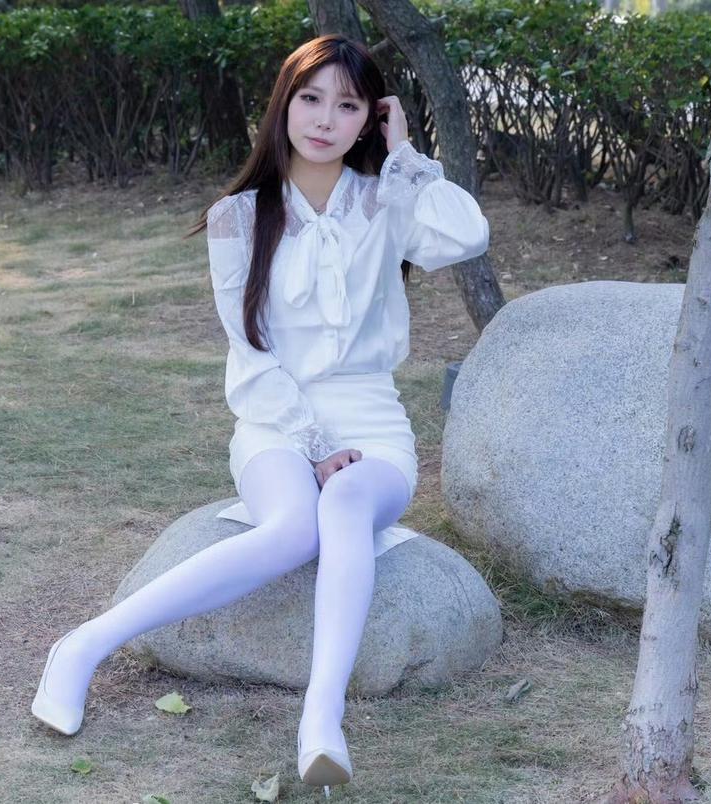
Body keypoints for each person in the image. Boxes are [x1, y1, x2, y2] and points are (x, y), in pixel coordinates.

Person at [32, 33, 489, 790]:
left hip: (372, 422)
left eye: (348, 106)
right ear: (283, 104)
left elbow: (468, 236)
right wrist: (311, 444)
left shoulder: (386, 201)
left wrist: (406, 155)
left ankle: (321, 718)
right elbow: (252, 354)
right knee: (291, 528)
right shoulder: (239, 217)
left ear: (370, 120)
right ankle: (83, 645)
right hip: (276, 422)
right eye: (311, 99)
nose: (325, 119)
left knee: (347, 500)